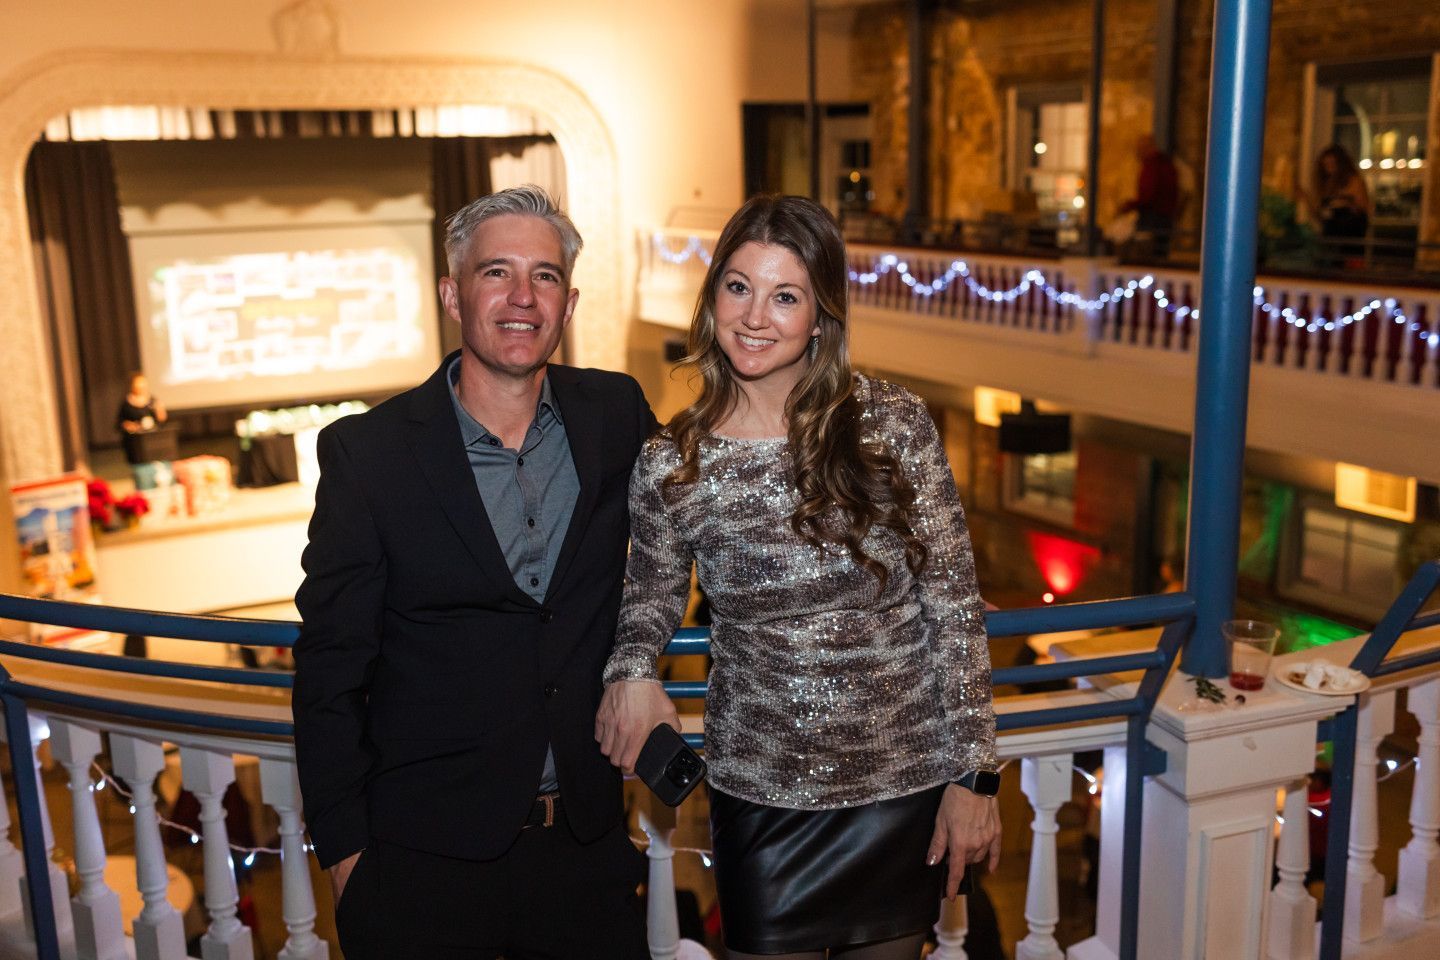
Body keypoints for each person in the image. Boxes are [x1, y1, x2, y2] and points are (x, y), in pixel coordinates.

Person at [596, 195, 1000, 959]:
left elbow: (953, 607)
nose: (755, 316)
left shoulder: (893, 426)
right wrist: (630, 670)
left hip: (902, 784)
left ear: (821, 316)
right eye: (739, 286)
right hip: (760, 796)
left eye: (786, 296)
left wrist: (974, 778)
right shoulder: (672, 464)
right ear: (712, 294)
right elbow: (648, 599)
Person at [292, 185, 656, 959]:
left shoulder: (616, 415)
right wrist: (350, 861)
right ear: (452, 295)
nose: (523, 297)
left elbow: (692, 533)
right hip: (422, 871)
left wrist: (640, 663)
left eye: (546, 276)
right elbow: (329, 672)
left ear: (570, 300)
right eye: (497, 273)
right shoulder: (370, 454)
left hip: (584, 858)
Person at [1118, 134, 1180, 258]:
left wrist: (1129, 206)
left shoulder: (1154, 166)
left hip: (1153, 218)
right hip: (1164, 216)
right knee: (1159, 253)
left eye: (1140, 149)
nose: (1138, 153)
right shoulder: (1165, 164)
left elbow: (1148, 196)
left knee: (1148, 253)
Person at [1309, 144, 1371, 263]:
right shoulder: (1326, 185)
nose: (1329, 168)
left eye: (1332, 164)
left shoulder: (1354, 181)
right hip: (1330, 241)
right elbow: (1320, 216)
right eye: (1326, 165)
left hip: (1350, 240)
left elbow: (1363, 210)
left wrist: (1346, 202)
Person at [116, 372, 167, 465]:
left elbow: (161, 420)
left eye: (143, 383)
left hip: (152, 440)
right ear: (133, 385)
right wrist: (129, 425)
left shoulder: (153, 400)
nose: (141, 386)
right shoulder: (127, 403)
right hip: (136, 443)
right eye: (138, 383)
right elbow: (119, 422)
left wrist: (160, 411)